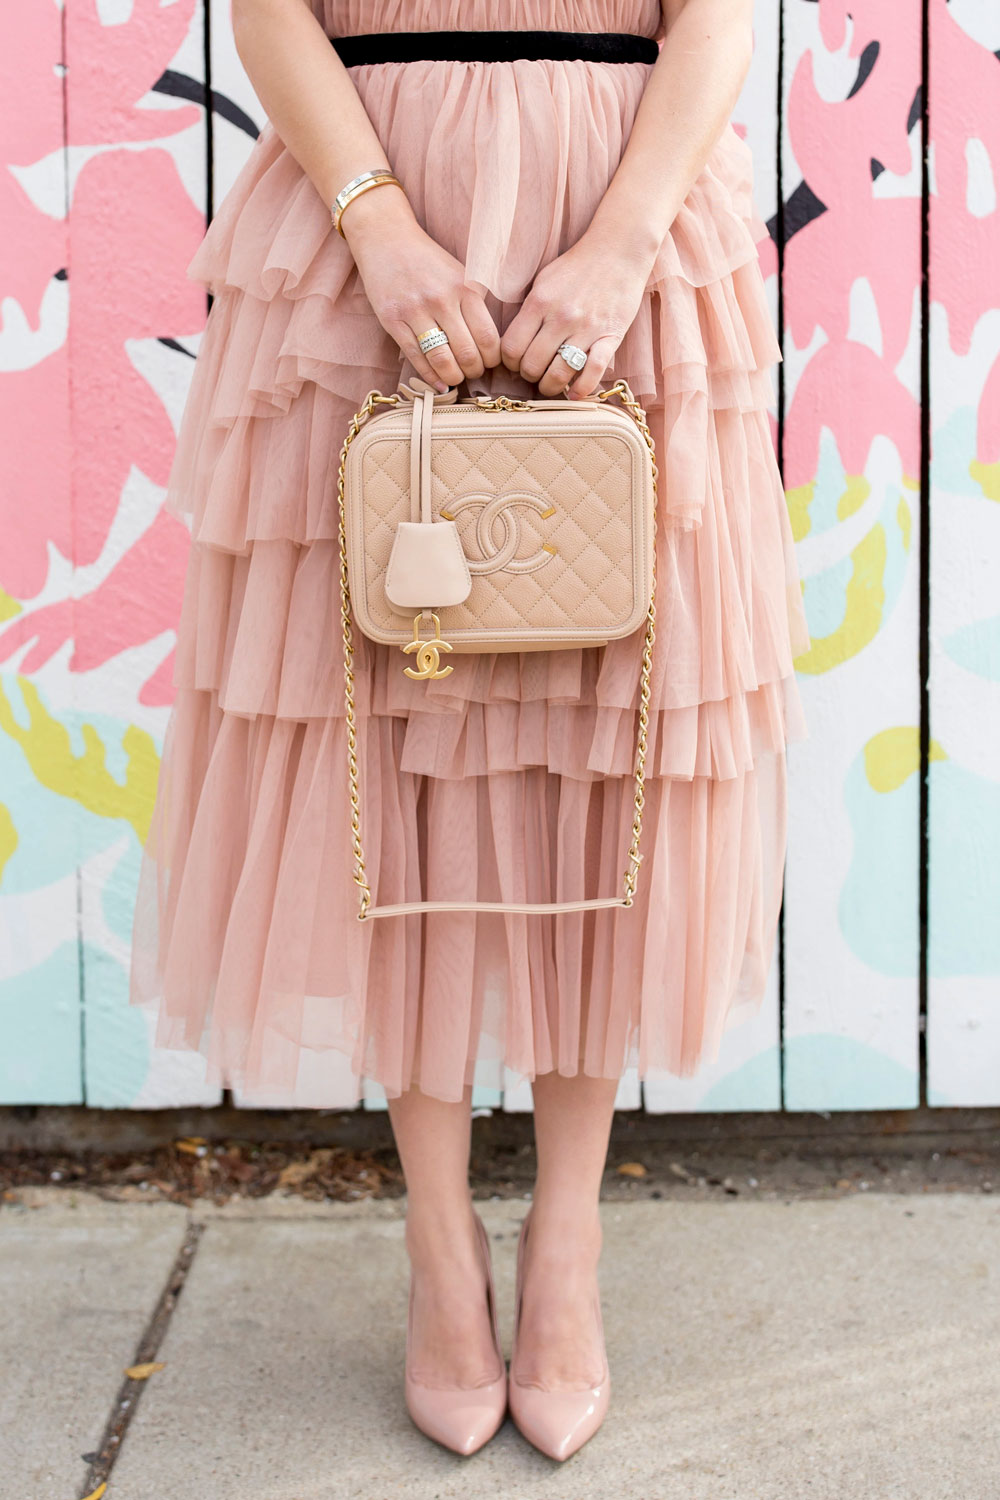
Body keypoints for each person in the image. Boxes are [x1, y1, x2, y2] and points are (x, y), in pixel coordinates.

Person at [128, 0, 810, 1463]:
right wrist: (375, 221)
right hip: (367, 216)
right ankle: (440, 1249)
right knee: (380, 735)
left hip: (623, 205)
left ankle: (567, 1247)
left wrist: (624, 241)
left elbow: (718, 13)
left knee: (607, 739)